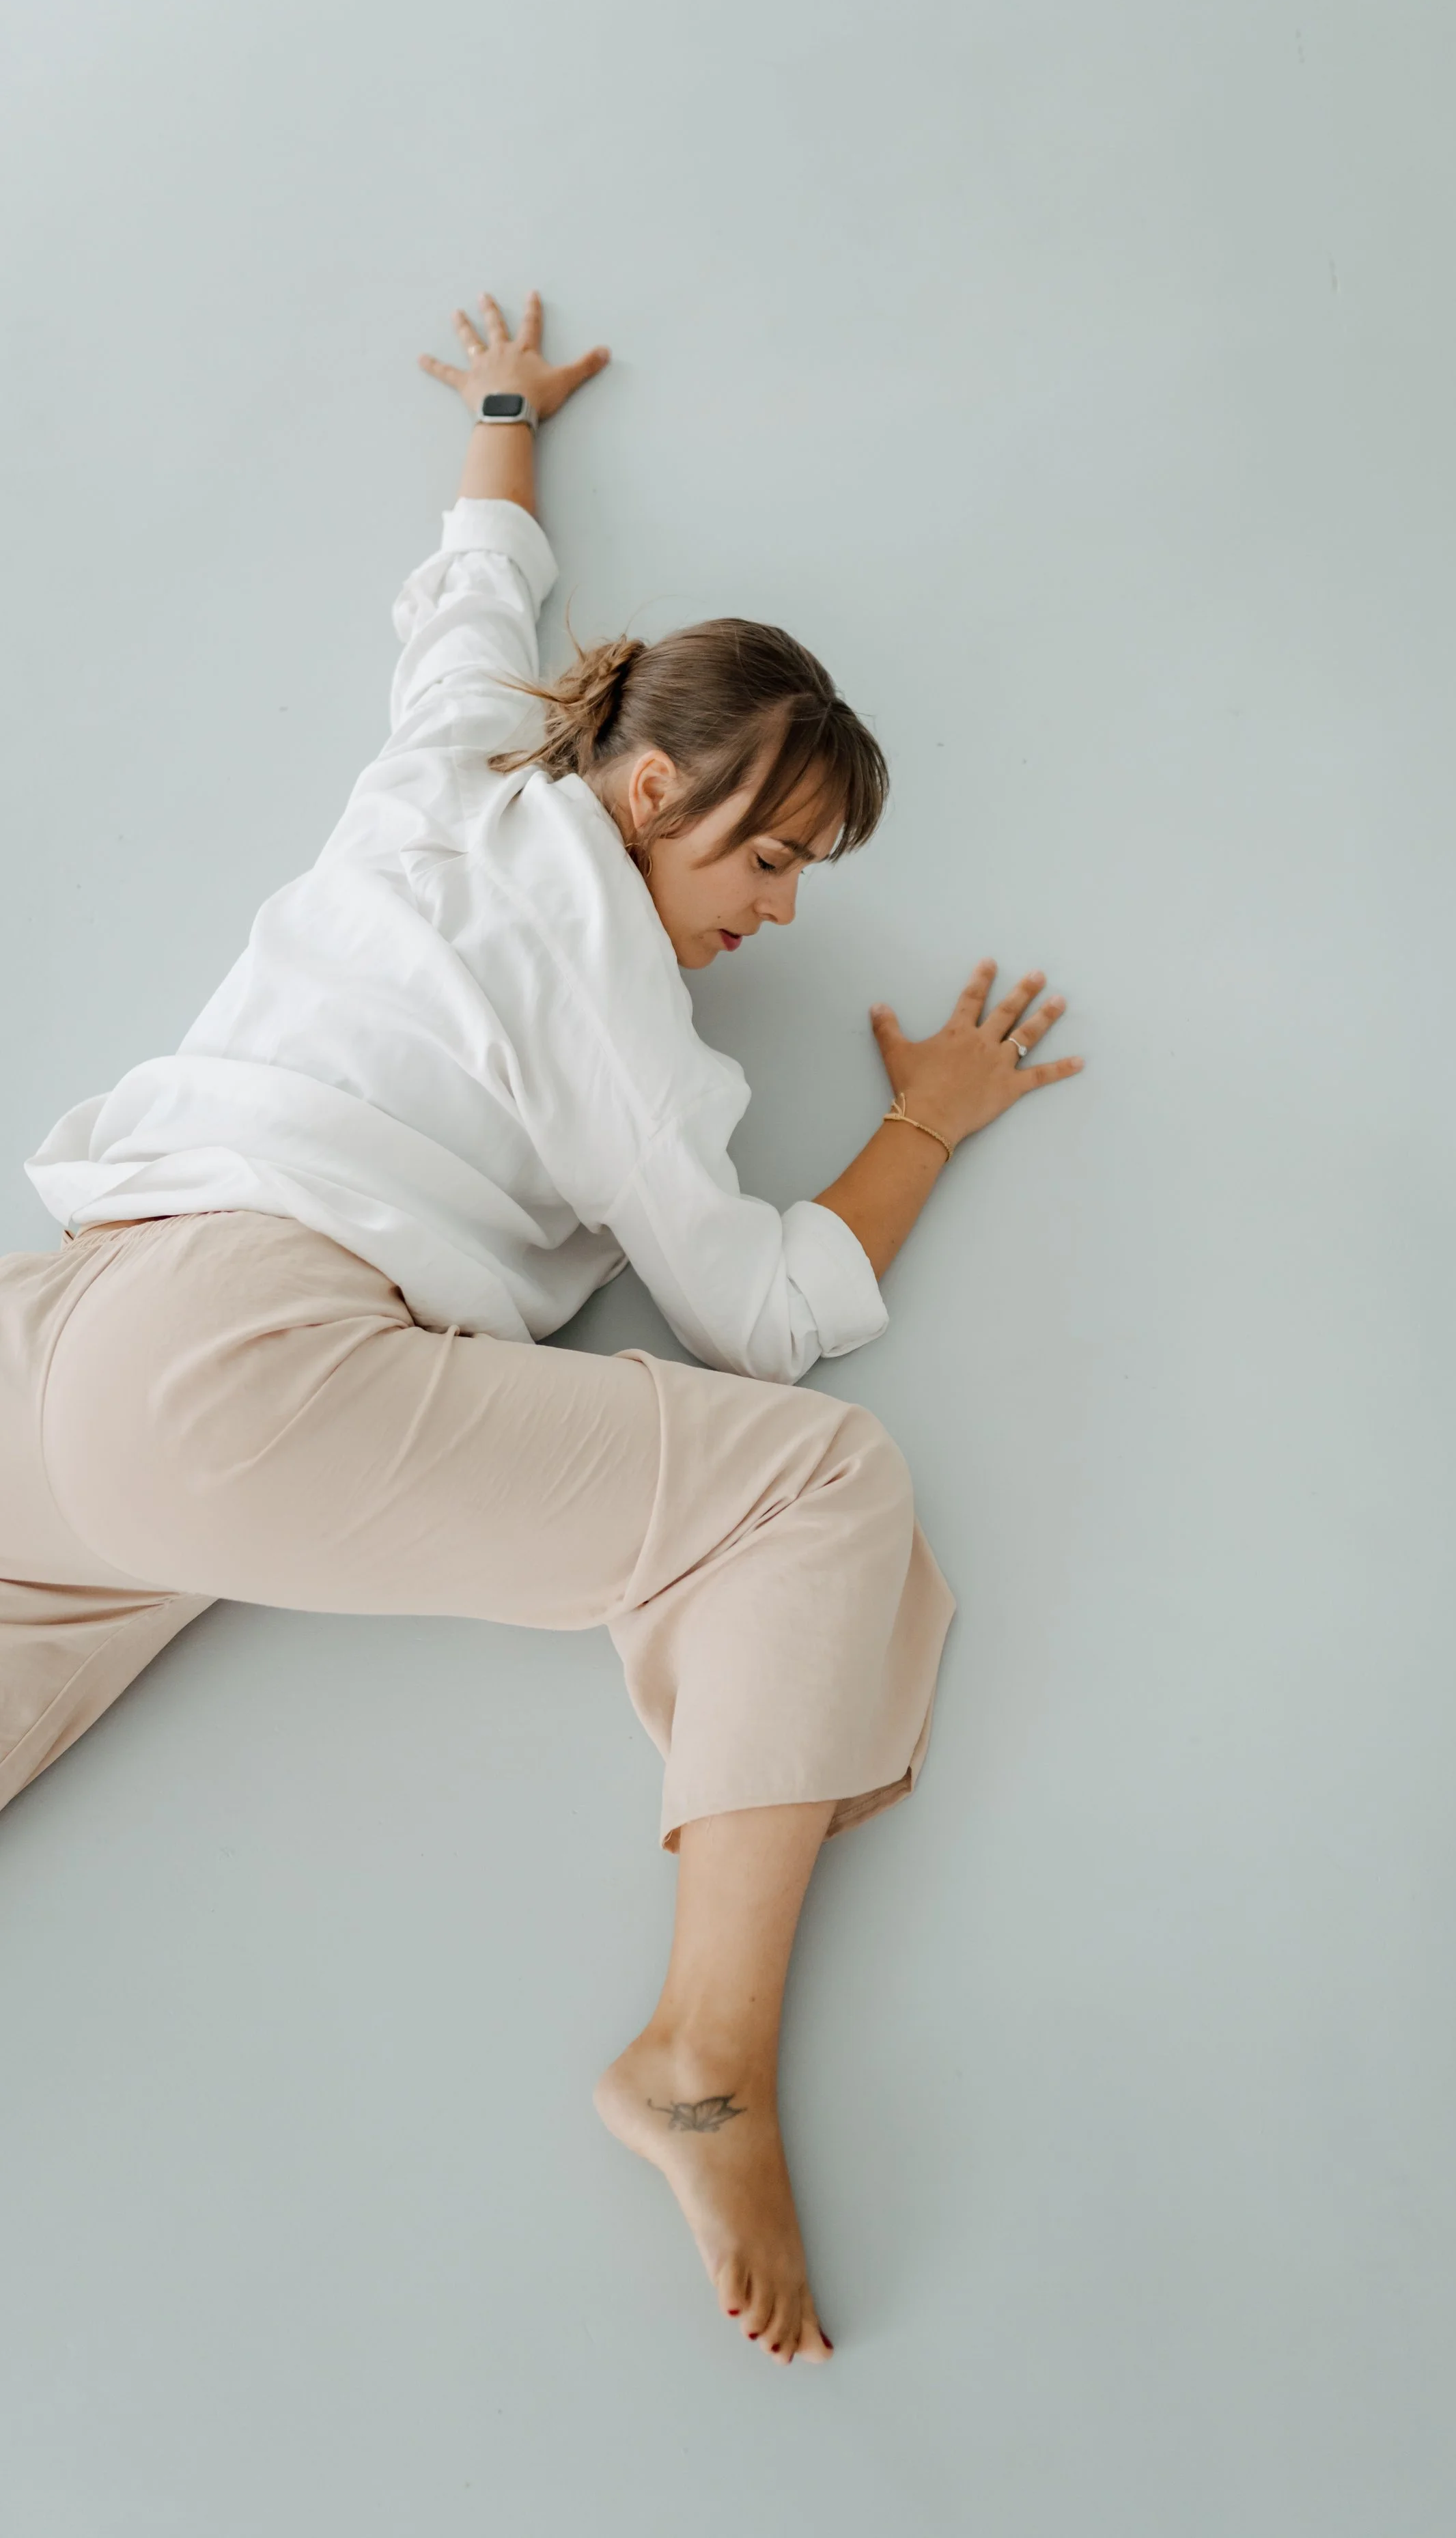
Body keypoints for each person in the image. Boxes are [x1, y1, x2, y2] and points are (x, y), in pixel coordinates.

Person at [0, 290, 1084, 2366]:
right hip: (238, 1365)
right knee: (816, 1490)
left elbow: (469, 601)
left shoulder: (442, 776)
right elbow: (766, 1320)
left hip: (67, 1339)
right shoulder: (624, 1014)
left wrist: (503, 414)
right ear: (650, 789)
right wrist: (924, 1126)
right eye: (765, 856)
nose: (775, 911)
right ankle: (700, 2053)